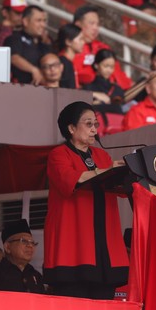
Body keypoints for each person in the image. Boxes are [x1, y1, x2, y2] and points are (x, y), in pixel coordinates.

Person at [44, 102, 129, 299]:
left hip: (104, 245)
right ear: (71, 128)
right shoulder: (59, 154)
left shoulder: (102, 155)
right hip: (74, 244)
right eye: (88, 124)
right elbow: (71, 179)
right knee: (74, 309)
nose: (94, 129)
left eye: (96, 124)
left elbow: (118, 188)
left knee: (104, 308)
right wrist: (106, 170)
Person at [0, 219, 46, 294]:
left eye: (32, 243)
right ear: (7, 247)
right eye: (24, 241)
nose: (30, 246)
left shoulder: (35, 275)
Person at [73, 4, 132, 89]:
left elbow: (119, 75)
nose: (95, 28)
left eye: (97, 24)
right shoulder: (71, 49)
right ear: (78, 25)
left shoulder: (103, 47)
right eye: (91, 23)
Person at [4, 5, 51, 85]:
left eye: (44, 21)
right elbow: (14, 58)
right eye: (39, 21)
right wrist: (33, 70)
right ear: (25, 21)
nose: (43, 25)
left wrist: (47, 43)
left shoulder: (45, 41)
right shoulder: (14, 38)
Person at [57, 23, 83, 89]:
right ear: (68, 42)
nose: (83, 42)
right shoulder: (63, 63)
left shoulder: (69, 62)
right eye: (80, 39)